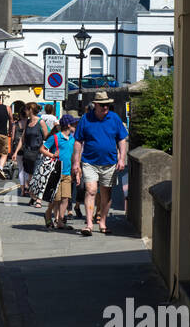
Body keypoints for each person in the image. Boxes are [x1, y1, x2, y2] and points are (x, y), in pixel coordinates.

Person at [72, 91, 129, 237]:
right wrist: (76, 162)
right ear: (95, 105)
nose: (105, 107)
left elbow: (122, 139)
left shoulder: (114, 118)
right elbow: (78, 141)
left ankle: (102, 221)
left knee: (106, 194)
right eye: (103, 105)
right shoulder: (86, 119)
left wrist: (122, 158)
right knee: (91, 190)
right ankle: (89, 224)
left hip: (109, 162)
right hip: (89, 161)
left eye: (107, 105)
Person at [40, 113, 77, 230]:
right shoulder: (55, 137)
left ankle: (60, 221)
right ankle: (48, 213)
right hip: (56, 172)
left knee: (65, 198)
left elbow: (74, 155)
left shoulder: (73, 139)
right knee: (55, 199)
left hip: (67, 173)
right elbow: (42, 149)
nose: (75, 126)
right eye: (74, 124)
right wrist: (52, 154)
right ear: (69, 125)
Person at [12, 102, 46, 202]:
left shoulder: (41, 122)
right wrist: (15, 152)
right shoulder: (27, 122)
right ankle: (33, 196)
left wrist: (44, 150)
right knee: (30, 178)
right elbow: (22, 139)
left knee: (37, 176)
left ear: (30, 110)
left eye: (26, 109)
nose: (25, 111)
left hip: (38, 153)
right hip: (27, 153)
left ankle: (39, 199)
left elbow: (47, 138)